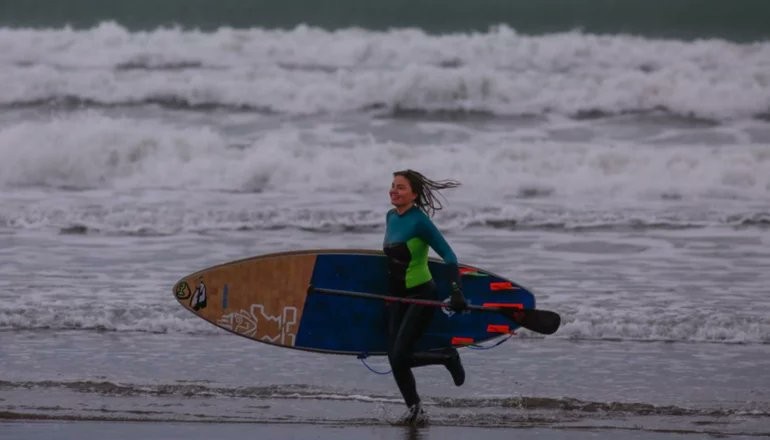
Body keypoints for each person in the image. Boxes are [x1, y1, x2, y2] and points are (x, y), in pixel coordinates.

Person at [383, 169, 468, 425]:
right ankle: (414, 409)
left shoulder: (420, 221)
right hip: (398, 297)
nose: (394, 191)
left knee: (400, 356)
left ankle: (448, 356)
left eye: (401, 187)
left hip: (421, 293)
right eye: (393, 186)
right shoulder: (390, 217)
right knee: (394, 357)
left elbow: (449, 256)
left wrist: (456, 291)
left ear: (414, 194)